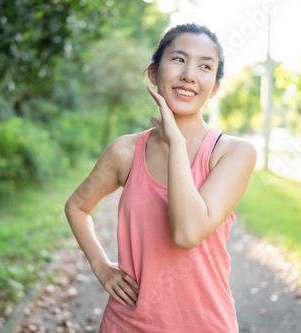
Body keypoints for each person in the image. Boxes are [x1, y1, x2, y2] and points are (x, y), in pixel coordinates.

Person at [65, 23, 257, 332]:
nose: (189, 75)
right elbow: (76, 207)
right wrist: (101, 267)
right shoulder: (125, 151)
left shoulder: (233, 153)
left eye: (205, 66)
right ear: (154, 73)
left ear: (215, 87)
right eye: (179, 59)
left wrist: (176, 143)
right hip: (125, 324)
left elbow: (187, 234)